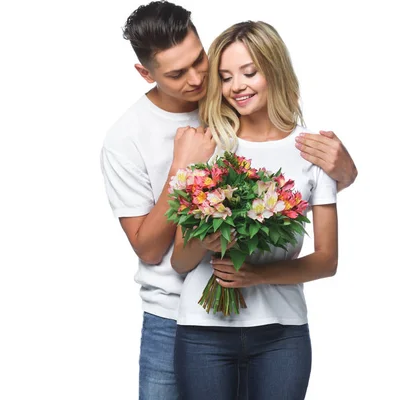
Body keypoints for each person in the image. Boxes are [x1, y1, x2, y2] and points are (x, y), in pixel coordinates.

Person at [100, 2, 356, 399]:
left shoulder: (230, 108)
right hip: (173, 312)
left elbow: (300, 190)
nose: (198, 78)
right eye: (177, 73)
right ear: (145, 74)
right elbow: (153, 251)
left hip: (273, 322)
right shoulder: (129, 139)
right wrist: (182, 172)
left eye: (201, 61)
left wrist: (346, 171)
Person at [171, 20, 339, 399]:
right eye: (226, 77)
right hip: (203, 332)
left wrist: (257, 275)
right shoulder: (209, 145)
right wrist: (208, 239)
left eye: (250, 72)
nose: (237, 87)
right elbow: (180, 262)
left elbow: (327, 261)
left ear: (274, 70)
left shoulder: (312, 150)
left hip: (283, 333)